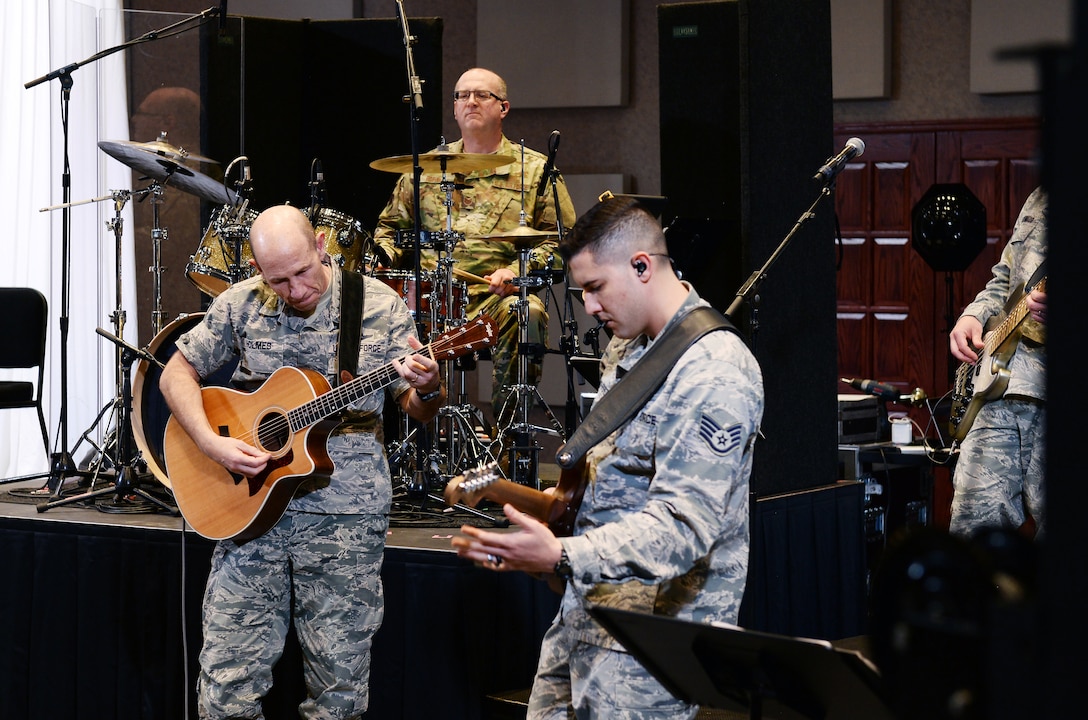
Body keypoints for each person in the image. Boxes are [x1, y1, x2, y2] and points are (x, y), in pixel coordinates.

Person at [451, 197, 765, 718]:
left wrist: (561, 555)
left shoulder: (714, 370)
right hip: (589, 610)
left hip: (654, 642)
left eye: (595, 288)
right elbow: (612, 474)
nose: (589, 307)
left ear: (642, 265)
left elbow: (684, 526)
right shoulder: (631, 342)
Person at [159, 204, 444, 718]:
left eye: (302, 272)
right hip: (248, 511)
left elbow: (416, 407)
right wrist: (209, 441)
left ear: (321, 246)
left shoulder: (377, 306)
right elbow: (174, 372)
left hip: (345, 517)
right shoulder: (240, 304)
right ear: (257, 272)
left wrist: (430, 388)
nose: (295, 290)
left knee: (339, 693)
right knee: (225, 688)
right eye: (278, 280)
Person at [373, 67, 576, 422]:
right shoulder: (423, 169)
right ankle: (410, 441)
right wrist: (381, 259)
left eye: (482, 95)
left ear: (504, 108)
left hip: (493, 299)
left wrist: (518, 272)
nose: (470, 102)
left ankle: (507, 438)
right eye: (462, 96)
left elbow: (563, 241)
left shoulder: (535, 171)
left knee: (527, 312)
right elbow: (388, 232)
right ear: (453, 109)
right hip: (427, 299)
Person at [948, 186, 1047, 538]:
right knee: (971, 535)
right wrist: (973, 315)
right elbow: (1007, 279)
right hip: (1002, 390)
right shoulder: (1040, 196)